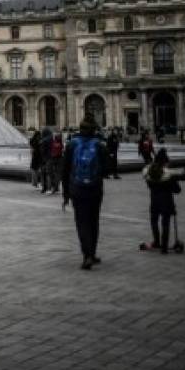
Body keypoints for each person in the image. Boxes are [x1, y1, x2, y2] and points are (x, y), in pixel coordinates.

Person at [62, 115, 108, 270]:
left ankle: (86, 254)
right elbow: (107, 168)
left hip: (77, 188)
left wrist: (65, 193)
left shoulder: (71, 144)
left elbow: (65, 170)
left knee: (82, 223)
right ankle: (92, 254)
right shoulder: (100, 145)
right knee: (94, 221)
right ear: (94, 129)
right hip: (95, 188)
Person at [142, 149, 181, 253]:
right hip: (166, 202)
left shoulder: (150, 172)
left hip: (154, 200)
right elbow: (177, 190)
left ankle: (156, 241)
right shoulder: (168, 175)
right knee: (165, 223)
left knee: (154, 221)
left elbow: (148, 184)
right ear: (165, 162)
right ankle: (164, 247)